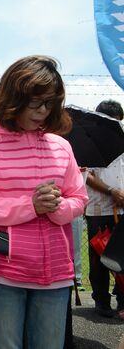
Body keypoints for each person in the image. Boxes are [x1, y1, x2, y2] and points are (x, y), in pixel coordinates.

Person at [0, 55, 88, 349]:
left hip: (55, 274)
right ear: (13, 96)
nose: (42, 111)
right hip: (2, 274)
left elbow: (79, 199)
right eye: (35, 102)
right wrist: (30, 206)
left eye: (49, 103)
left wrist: (59, 208)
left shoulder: (61, 146)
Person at [84, 99, 124, 318]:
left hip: (123, 209)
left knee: (121, 256)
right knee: (98, 257)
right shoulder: (89, 141)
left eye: (116, 121)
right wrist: (111, 191)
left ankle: (123, 299)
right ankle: (101, 301)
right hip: (99, 209)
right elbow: (86, 174)